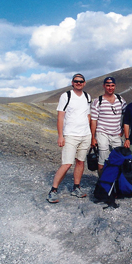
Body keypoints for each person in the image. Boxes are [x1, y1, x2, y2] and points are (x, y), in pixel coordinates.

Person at [46, 73, 92, 203]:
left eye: (81, 81)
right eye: (76, 81)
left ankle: (76, 188)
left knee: (80, 162)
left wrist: (90, 134)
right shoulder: (66, 96)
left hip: (85, 134)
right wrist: (60, 135)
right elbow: (60, 117)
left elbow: (87, 115)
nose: (78, 83)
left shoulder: (87, 96)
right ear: (72, 82)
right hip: (70, 135)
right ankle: (53, 190)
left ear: (84, 83)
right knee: (67, 163)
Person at [90, 77, 127, 176]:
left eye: (112, 85)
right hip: (102, 133)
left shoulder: (120, 100)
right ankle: (102, 183)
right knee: (102, 159)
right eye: (108, 85)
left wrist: (123, 129)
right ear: (104, 86)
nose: (110, 88)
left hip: (116, 134)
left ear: (115, 86)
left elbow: (127, 116)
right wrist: (93, 138)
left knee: (119, 158)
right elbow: (93, 120)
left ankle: (115, 182)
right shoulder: (98, 101)